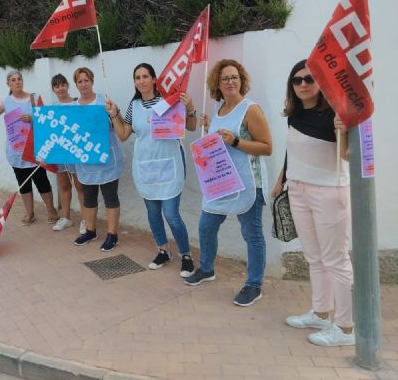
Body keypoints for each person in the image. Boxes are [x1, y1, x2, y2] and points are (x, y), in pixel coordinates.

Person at [271, 59, 354, 346]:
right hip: (297, 189)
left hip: (329, 190)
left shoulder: (336, 114)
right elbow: (291, 148)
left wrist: (342, 131)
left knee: (336, 260)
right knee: (314, 257)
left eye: (309, 79)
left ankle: (345, 328)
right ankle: (321, 312)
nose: (303, 85)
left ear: (321, 81)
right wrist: (281, 179)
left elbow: (347, 157)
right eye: (297, 80)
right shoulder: (294, 115)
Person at [184, 59, 272, 308]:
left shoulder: (250, 109)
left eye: (235, 77)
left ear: (241, 80)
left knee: (252, 235)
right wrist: (208, 130)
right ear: (218, 84)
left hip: (247, 183)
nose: (231, 81)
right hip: (219, 182)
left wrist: (235, 141)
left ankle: (254, 285)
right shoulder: (219, 110)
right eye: (225, 78)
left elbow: (267, 147)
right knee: (206, 227)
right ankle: (207, 269)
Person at [107, 63, 197, 277]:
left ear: (154, 79)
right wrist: (113, 114)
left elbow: (191, 127)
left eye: (145, 76)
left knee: (171, 214)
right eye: (137, 77)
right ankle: (163, 250)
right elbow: (123, 134)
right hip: (146, 165)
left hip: (170, 164)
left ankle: (186, 255)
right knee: (153, 213)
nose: (141, 80)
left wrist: (190, 107)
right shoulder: (134, 105)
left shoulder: (170, 101)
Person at [0, 71, 58, 225]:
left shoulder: (34, 98)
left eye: (19, 79)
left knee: (42, 182)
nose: (17, 82)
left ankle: (51, 211)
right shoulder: (6, 101)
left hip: (34, 151)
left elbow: (46, 120)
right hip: (16, 152)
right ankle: (30, 213)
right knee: (23, 184)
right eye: (13, 80)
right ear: (8, 84)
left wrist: (32, 118)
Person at [72, 67, 124, 252]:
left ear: (92, 81)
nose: (83, 84)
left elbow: (119, 123)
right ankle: (90, 230)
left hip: (107, 160)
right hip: (86, 163)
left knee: (110, 198)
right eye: (80, 81)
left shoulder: (105, 101)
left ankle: (112, 234)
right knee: (89, 198)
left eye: (86, 80)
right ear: (76, 84)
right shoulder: (73, 108)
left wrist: (113, 113)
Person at [49, 73, 85, 232]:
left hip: (75, 152)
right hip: (59, 153)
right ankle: (66, 218)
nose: (60, 88)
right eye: (56, 86)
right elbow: (48, 132)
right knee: (64, 186)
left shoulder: (78, 104)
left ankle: (86, 219)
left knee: (80, 187)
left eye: (63, 84)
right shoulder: (52, 109)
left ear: (67, 86)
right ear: (53, 89)